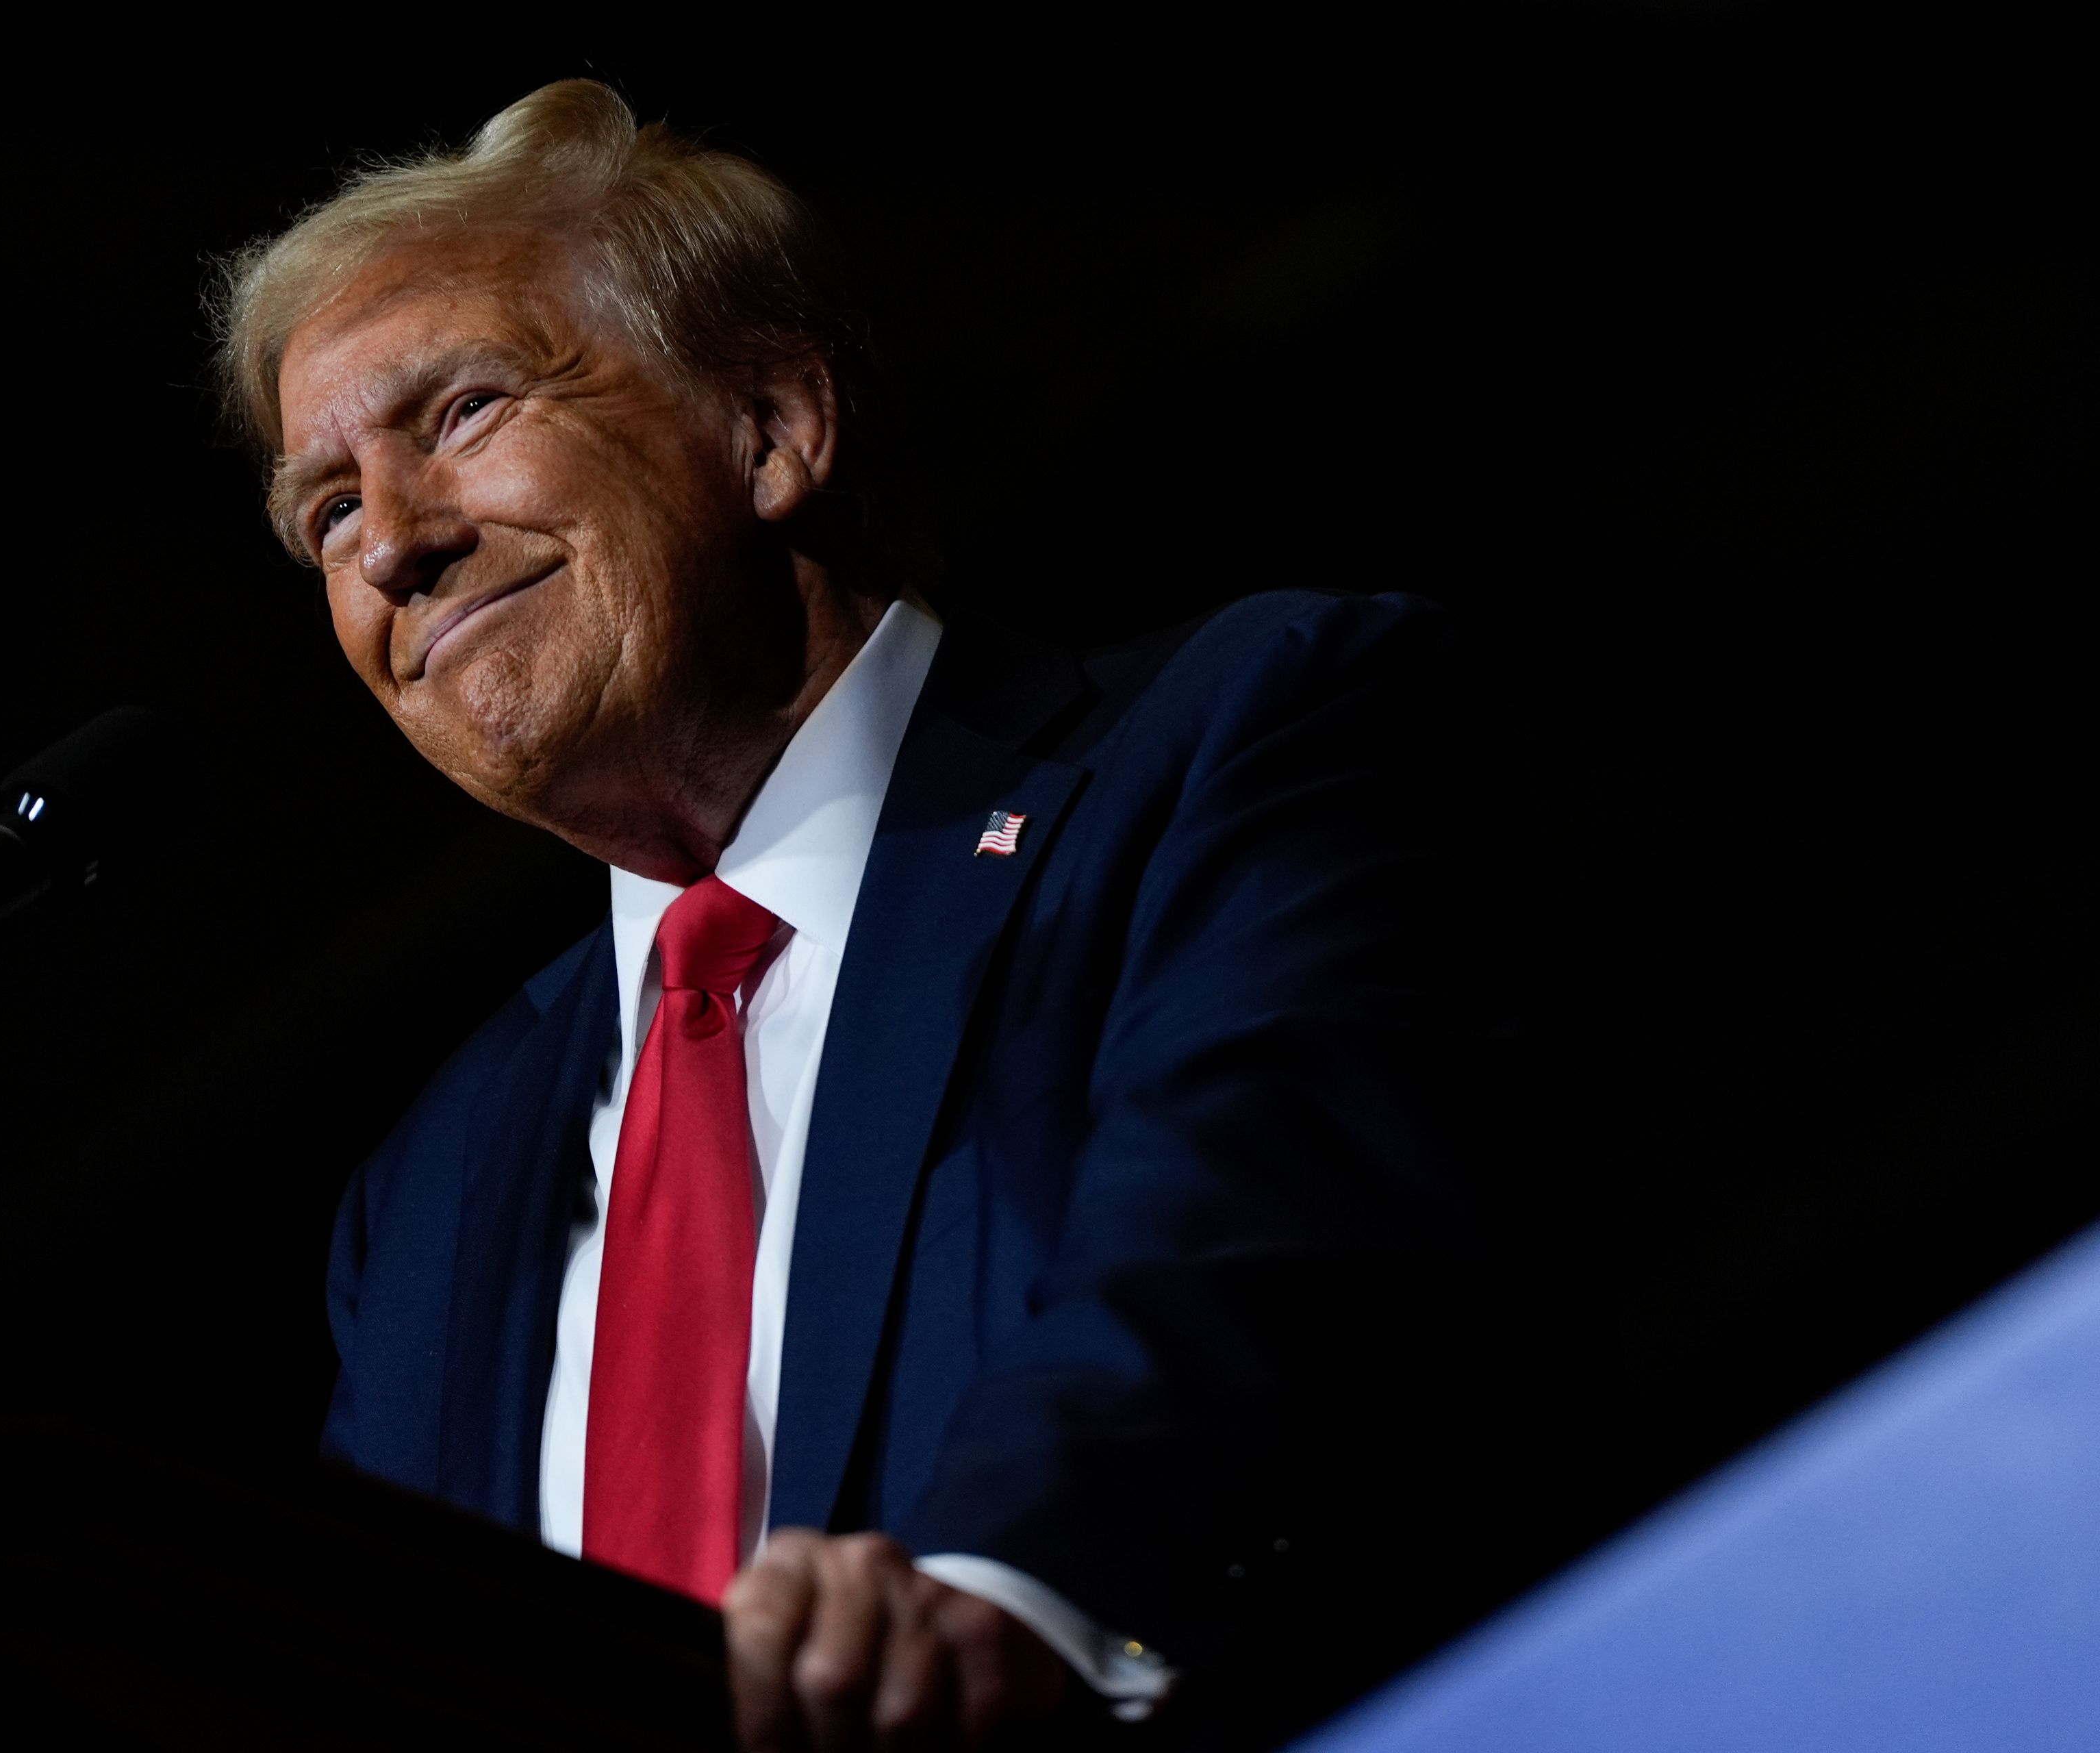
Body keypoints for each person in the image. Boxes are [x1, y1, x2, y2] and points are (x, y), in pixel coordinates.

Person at [214, 80, 1612, 1750]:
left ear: (772, 426)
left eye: (459, 412)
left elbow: (1261, 1234)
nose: (392, 548)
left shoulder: (1229, 742)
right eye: (326, 511)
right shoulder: (430, 1189)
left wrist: (999, 1588)